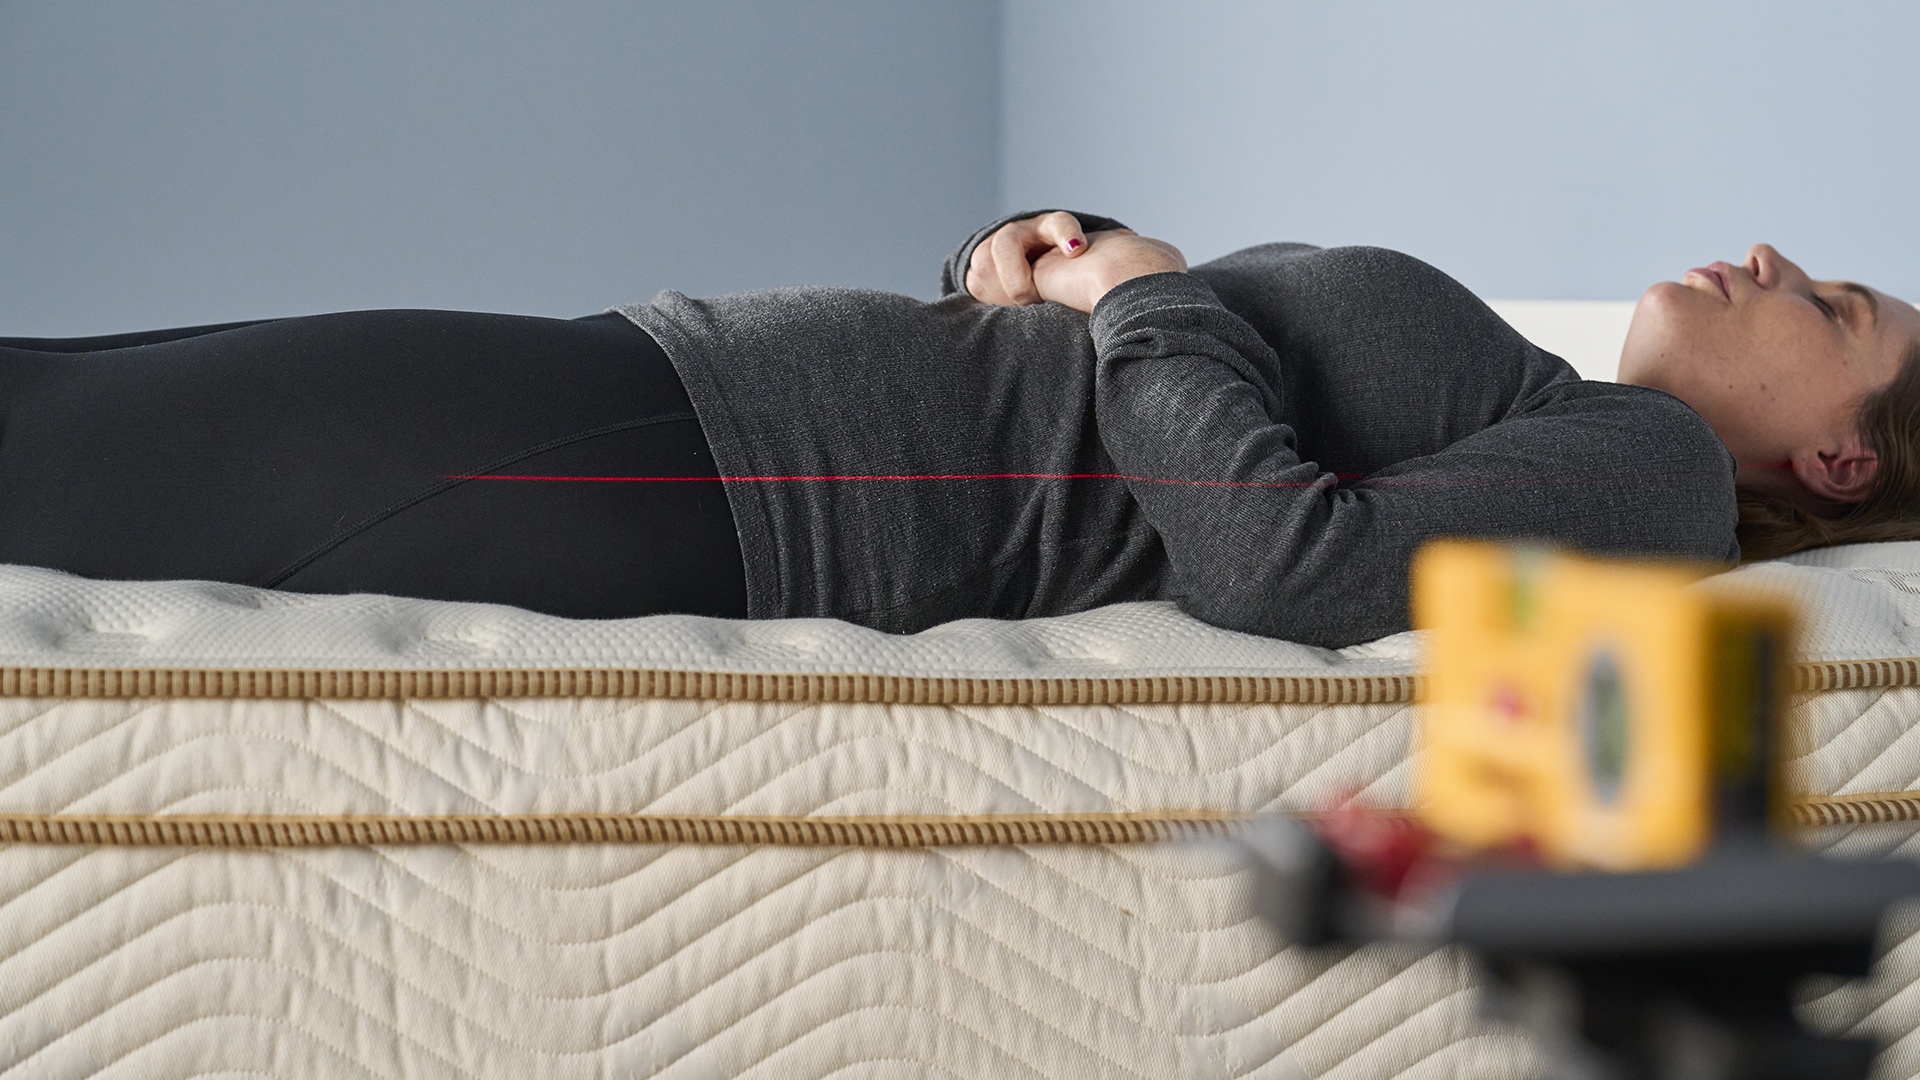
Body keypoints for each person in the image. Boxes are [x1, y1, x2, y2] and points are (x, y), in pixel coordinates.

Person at [1, 211, 1914, 648]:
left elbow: (1285, 563)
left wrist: (1142, 292)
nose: (1773, 260)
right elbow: (1146, 391)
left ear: (1842, 462)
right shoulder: (1540, 398)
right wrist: (1033, 259)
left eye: (1833, 308)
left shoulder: (1654, 480)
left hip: (726, 479)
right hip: (675, 387)